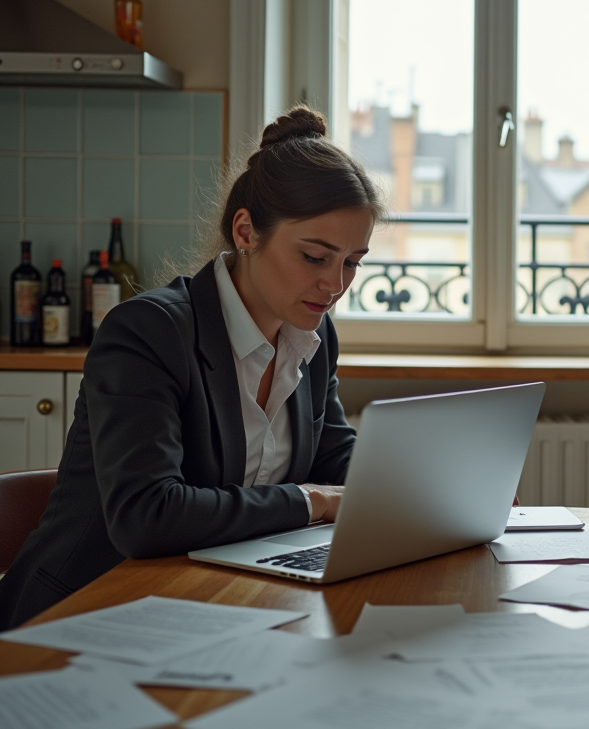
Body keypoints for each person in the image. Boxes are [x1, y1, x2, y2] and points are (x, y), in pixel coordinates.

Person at [0, 107, 383, 630]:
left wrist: (422, 488)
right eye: (315, 257)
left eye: (352, 262)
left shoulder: (312, 334)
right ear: (246, 231)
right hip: (88, 614)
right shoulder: (148, 332)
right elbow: (147, 516)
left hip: (214, 602)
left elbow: (333, 457)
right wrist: (310, 501)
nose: (335, 284)